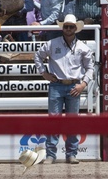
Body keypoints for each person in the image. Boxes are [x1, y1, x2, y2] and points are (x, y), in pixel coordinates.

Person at [35, 14, 95, 164]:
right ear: (63, 28)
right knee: (54, 120)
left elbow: (90, 68)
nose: (68, 29)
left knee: (71, 121)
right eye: (66, 26)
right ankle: (51, 154)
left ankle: (71, 154)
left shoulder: (82, 47)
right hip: (57, 84)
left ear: (75, 29)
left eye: (71, 26)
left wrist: (83, 84)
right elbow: (37, 55)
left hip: (74, 85)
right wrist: (44, 73)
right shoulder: (52, 44)